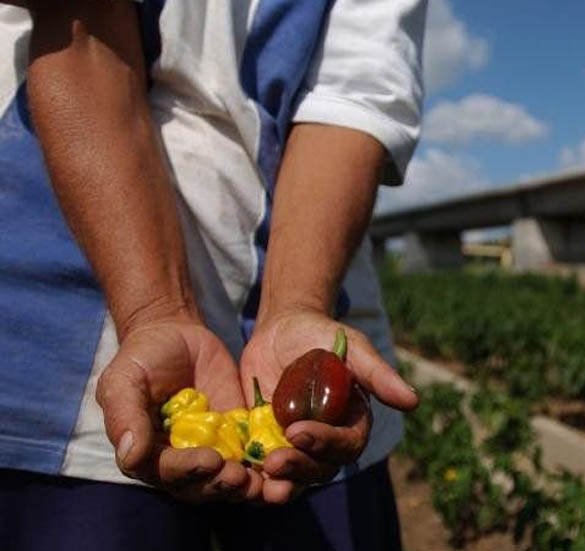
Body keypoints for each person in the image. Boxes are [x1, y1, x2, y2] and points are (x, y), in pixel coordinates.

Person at [0, 1, 425, 549]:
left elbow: (355, 96)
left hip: (316, 307)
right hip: (66, 346)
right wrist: (153, 310)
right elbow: (79, 35)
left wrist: (296, 301)